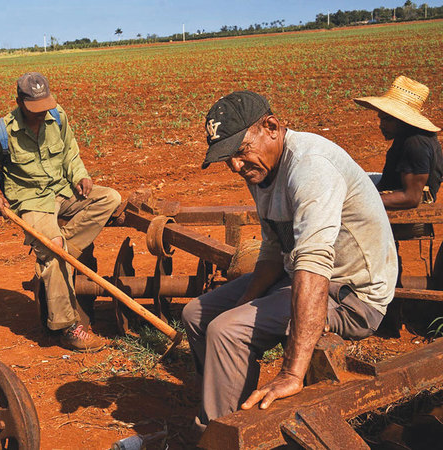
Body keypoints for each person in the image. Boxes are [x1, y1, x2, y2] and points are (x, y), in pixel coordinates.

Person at [181, 91, 398, 434]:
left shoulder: (311, 168)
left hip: (350, 295)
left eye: (240, 151)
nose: (235, 166)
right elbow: (273, 248)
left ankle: (219, 433)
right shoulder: (262, 169)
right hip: (297, 275)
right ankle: (226, 405)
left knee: (227, 330)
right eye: (227, 158)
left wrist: (292, 373)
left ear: (271, 127)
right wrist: (244, 302)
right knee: (196, 314)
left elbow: (313, 266)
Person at [0, 72, 121, 352]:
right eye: (34, 108)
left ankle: (56, 254)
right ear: (19, 103)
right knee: (54, 248)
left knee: (110, 198)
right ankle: (68, 328)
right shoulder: (2, 132)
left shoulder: (57, 116)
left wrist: (80, 175)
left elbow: (70, 151)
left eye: (44, 106)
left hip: (62, 189)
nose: (41, 113)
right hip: (31, 200)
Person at [354, 75, 442, 211]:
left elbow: (411, 198)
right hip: (392, 184)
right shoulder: (408, 134)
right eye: (381, 119)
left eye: (388, 120)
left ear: (403, 120)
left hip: (399, 197)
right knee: (351, 178)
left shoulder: (415, 144)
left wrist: (360, 202)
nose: (381, 125)